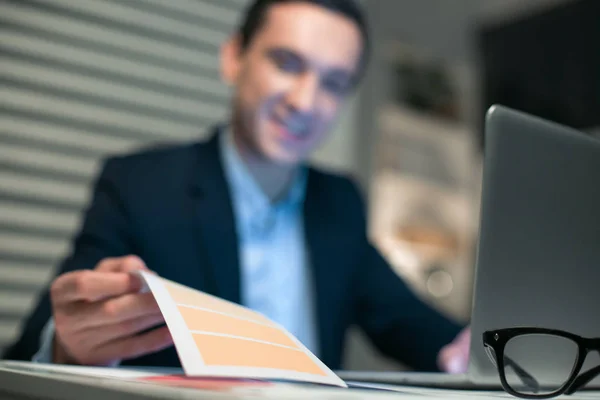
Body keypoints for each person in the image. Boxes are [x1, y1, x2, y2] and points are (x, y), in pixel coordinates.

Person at [3, 0, 470, 373]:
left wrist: (481, 346)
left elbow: (406, 321)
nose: (305, 101)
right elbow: (30, 353)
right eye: (287, 63)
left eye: (333, 83)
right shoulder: (141, 185)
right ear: (234, 58)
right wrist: (67, 347)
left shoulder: (339, 202)